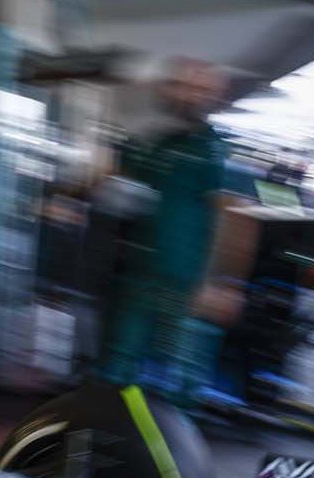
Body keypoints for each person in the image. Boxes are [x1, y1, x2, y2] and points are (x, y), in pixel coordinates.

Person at [99, 56, 254, 405]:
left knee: (180, 385)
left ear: (217, 94)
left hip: (191, 285)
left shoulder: (218, 150)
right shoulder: (159, 144)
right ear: (167, 89)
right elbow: (117, 187)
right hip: (141, 277)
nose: (189, 94)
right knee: (114, 372)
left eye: (200, 87)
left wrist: (222, 284)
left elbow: (236, 218)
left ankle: (175, 456)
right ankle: (100, 450)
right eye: (182, 84)